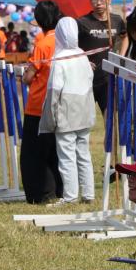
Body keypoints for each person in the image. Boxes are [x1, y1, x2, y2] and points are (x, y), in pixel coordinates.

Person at [39, 17, 95, 205]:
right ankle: (88, 194)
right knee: (84, 154)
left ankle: (70, 196)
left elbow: (54, 90)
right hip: (85, 110)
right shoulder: (83, 55)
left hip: (67, 112)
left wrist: (51, 115)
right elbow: (89, 78)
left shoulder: (60, 58)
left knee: (67, 156)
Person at [20, 0, 63, 203]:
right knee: (57, 151)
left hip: (39, 104)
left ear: (38, 19)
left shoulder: (43, 44)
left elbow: (29, 76)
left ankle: (40, 193)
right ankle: (60, 189)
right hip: (61, 104)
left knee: (34, 154)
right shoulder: (65, 41)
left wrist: (23, 76)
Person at [76, 0, 126, 115]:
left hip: (108, 79)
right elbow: (72, 46)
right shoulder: (82, 22)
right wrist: (83, 60)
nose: (98, 3)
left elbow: (126, 37)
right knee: (84, 119)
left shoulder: (117, 20)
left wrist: (121, 56)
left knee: (110, 117)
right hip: (87, 79)